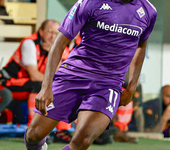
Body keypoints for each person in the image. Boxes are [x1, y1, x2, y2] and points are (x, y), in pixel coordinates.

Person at [25, 0, 157, 150]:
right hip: (72, 76)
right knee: (33, 135)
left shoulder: (148, 11)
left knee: (82, 140)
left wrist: (132, 87)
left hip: (108, 85)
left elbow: (141, 46)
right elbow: (59, 43)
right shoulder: (89, 3)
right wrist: (46, 86)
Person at [0, 19, 60, 125]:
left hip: (25, 84)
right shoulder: (29, 43)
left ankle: (59, 130)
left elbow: (58, 75)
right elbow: (34, 76)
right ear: (41, 31)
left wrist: (53, 54)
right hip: (7, 83)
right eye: (50, 31)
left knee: (58, 89)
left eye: (56, 33)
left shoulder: (53, 48)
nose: (53, 36)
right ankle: (33, 127)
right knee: (39, 86)